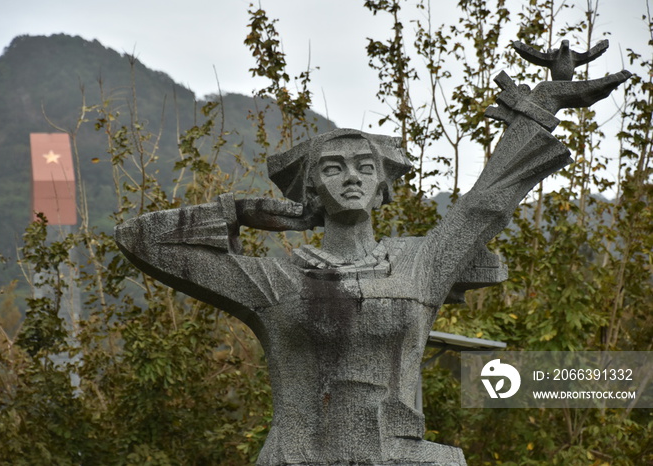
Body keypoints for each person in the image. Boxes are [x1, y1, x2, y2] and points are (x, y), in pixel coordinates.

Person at [115, 69, 630, 465]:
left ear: (384, 185)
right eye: (332, 169)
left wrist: (537, 109)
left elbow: (485, 203)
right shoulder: (274, 279)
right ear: (311, 187)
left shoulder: (419, 262)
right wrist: (242, 211)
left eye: (366, 167)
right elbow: (140, 239)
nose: (352, 178)